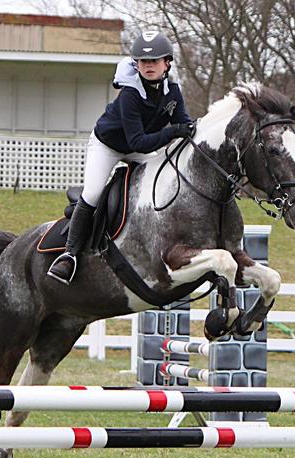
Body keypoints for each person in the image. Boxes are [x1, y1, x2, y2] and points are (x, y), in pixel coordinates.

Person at [47, 30, 194, 285]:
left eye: (154, 61)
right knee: (93, 193)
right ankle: (69, 255)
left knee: (162, 183)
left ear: (167, 63)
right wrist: (172, 132)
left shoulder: (173, 90)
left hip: (140, 148)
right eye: (143, 62)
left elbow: (184, 124)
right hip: (108, 145)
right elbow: (138, 141)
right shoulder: (130, 93)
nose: (148, 66)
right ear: (136, 64)